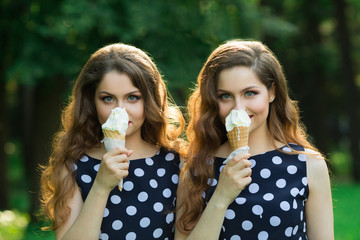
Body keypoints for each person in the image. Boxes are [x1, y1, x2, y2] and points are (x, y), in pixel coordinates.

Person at [175, 40, 333, 240]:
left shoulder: (308, 165)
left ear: (272, 92)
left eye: (250, 93)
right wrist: (221, 197)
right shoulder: (195, 168)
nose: (238, 108)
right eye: (225, 96)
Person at [40, 43, 185, 240]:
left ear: (150, 100)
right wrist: (100, 185)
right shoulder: (74, 165)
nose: (120, 110)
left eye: (132, 98)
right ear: (92, 102)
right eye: (108, 99)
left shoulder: (176, 164)